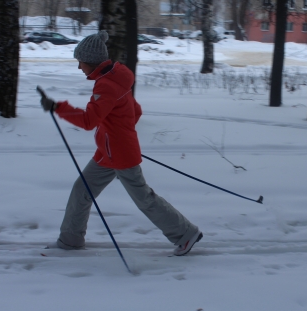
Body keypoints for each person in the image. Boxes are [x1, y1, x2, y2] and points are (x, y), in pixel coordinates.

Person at [39, 30, 202, 256]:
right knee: (81, 190)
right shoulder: (117, 77)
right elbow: (135, 111)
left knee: (144, 198)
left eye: (80, 62)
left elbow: (88, 121)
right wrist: (118, 134)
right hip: (108, 152)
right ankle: (70, 241)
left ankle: (185, 234)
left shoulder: (106, 86)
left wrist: (58, 108)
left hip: (119, 154)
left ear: (92, 61)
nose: (79, 68)